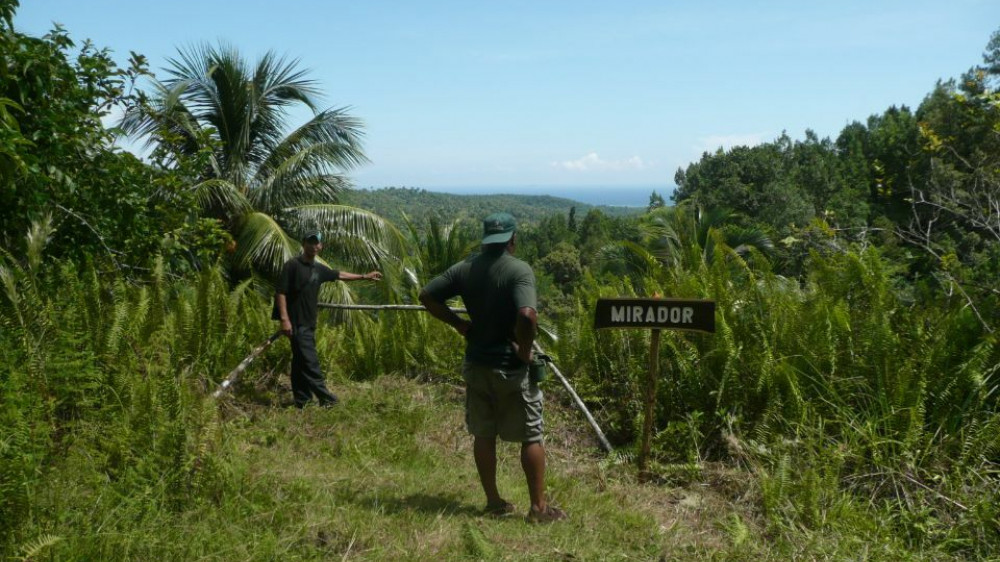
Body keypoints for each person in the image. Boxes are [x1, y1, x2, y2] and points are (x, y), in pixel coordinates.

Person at [419, 212, 567, 523]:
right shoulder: (519, 271)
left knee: (483, 434)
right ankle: (538, 509)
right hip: (510, 368)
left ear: (486, 238)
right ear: (512, 239)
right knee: (531, 435)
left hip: (476, 364)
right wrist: (525, 352)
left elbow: (427, 295)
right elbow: (527, 315)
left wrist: (460, 325)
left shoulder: (465, 268)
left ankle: (493, 501)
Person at [276, 230, 382, 408]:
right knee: (310, 361)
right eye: (310, 242)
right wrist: (284, 319)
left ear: (320, 246)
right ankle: (327, 400)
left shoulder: (319, 269)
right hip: (295, 322)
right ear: (303, 244)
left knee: (299, 361)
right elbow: (280, 292)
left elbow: (339, 274)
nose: (313, 245)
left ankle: (302, 401)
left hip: (309, 322)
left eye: (316, 242)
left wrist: (364, 276)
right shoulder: (292, 266)